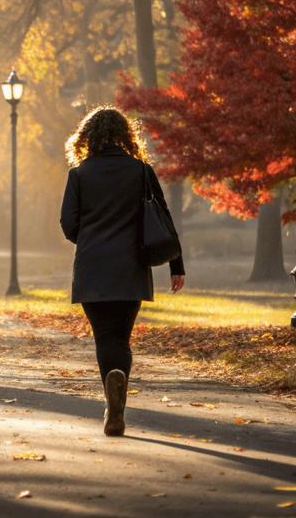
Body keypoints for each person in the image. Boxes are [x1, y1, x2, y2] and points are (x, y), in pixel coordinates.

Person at [59, 105, 185, 437]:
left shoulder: (79, 175)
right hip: (131, 266)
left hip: (92, 267)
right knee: (122, 339)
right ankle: (118, 399)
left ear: (87, 137)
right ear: (126, 135)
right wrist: (177, 265)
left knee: (104, 337)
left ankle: (111, 402)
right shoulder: (141, 171)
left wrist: (87, 238)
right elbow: (163, 218)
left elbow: (67, 224)